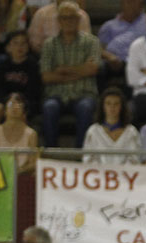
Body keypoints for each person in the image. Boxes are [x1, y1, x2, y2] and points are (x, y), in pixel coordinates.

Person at [39, 0, 100, 147]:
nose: (68, 21)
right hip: (56, 94)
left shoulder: (92, 42)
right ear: (59, 20)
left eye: (72, 17)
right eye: (64, 18)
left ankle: (80, 156)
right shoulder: (49, 44)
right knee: (49, 107)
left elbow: (92, 69)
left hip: (84, 93)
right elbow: (46, 77)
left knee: (85, 108)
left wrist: (63, 70)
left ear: (79, 19)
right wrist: (81, 71)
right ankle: (51, 154)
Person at [0, 31, 42, 129]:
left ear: (28, 46)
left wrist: (18, 102)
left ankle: (23, 142)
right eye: (15, 43)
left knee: (19, 110)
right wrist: (8, 101)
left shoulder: (33, 65)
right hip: (5, 101)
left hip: (26, 102)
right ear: (8, 47)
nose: (20, 47)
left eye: (23, 43)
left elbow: (34, 91)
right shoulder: (2, 65)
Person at [83, 86, 140, 164]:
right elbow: (88, 160)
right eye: (108, 103)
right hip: (99, 175)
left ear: (121, 107)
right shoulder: (93, 131)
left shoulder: (131, 131)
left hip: (125, 175)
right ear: (103, 106)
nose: (112, 107)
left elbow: (134, 160)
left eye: (116, 104)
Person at [0, 92, 38, 174]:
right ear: (4, 110)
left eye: (19, 104)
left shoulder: (31, 134)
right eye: (11, 104)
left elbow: (33, 163)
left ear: (24, 112)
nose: (15, 107)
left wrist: (18, 172)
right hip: (0, 176)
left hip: (23, 175)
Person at [98, 0, 146, 81]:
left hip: (142, 63)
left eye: (136, 2)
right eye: (129, 2)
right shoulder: (108, 26)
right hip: (115, 65)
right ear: (122, 3)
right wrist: (110, 57)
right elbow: (99, 49)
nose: (132, 5)